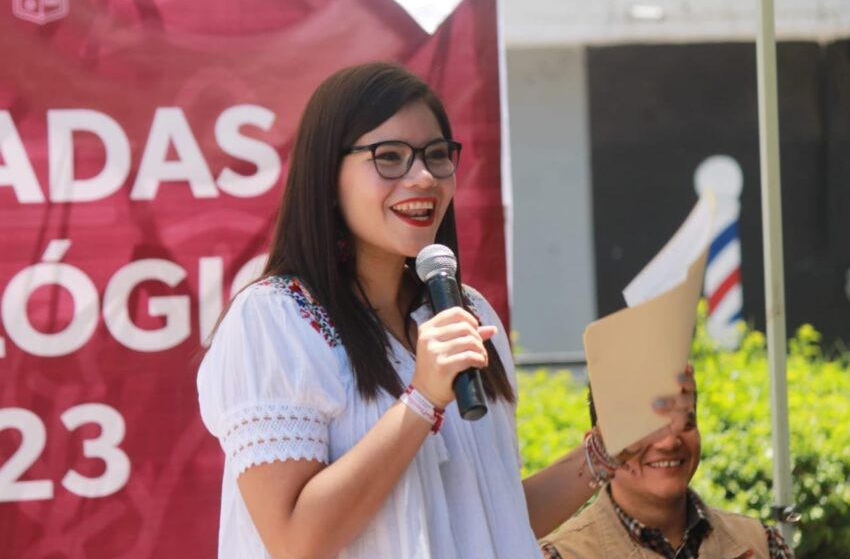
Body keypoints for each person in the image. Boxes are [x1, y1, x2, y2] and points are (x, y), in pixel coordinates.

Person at [197, 62, 695, 559]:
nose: (423, 177)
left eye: (437, 156)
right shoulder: (276, 320)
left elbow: (491, 517)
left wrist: (607, 450)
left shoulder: (468, 312)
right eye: (389, 157)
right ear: (328, 177)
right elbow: (294, 540)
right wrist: (421, 402)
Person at [539, 388, 794, 559]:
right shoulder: (558, 554)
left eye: (684, 421)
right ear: (597, 447)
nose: (669, 442)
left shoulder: (762, 543)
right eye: (645, 426)